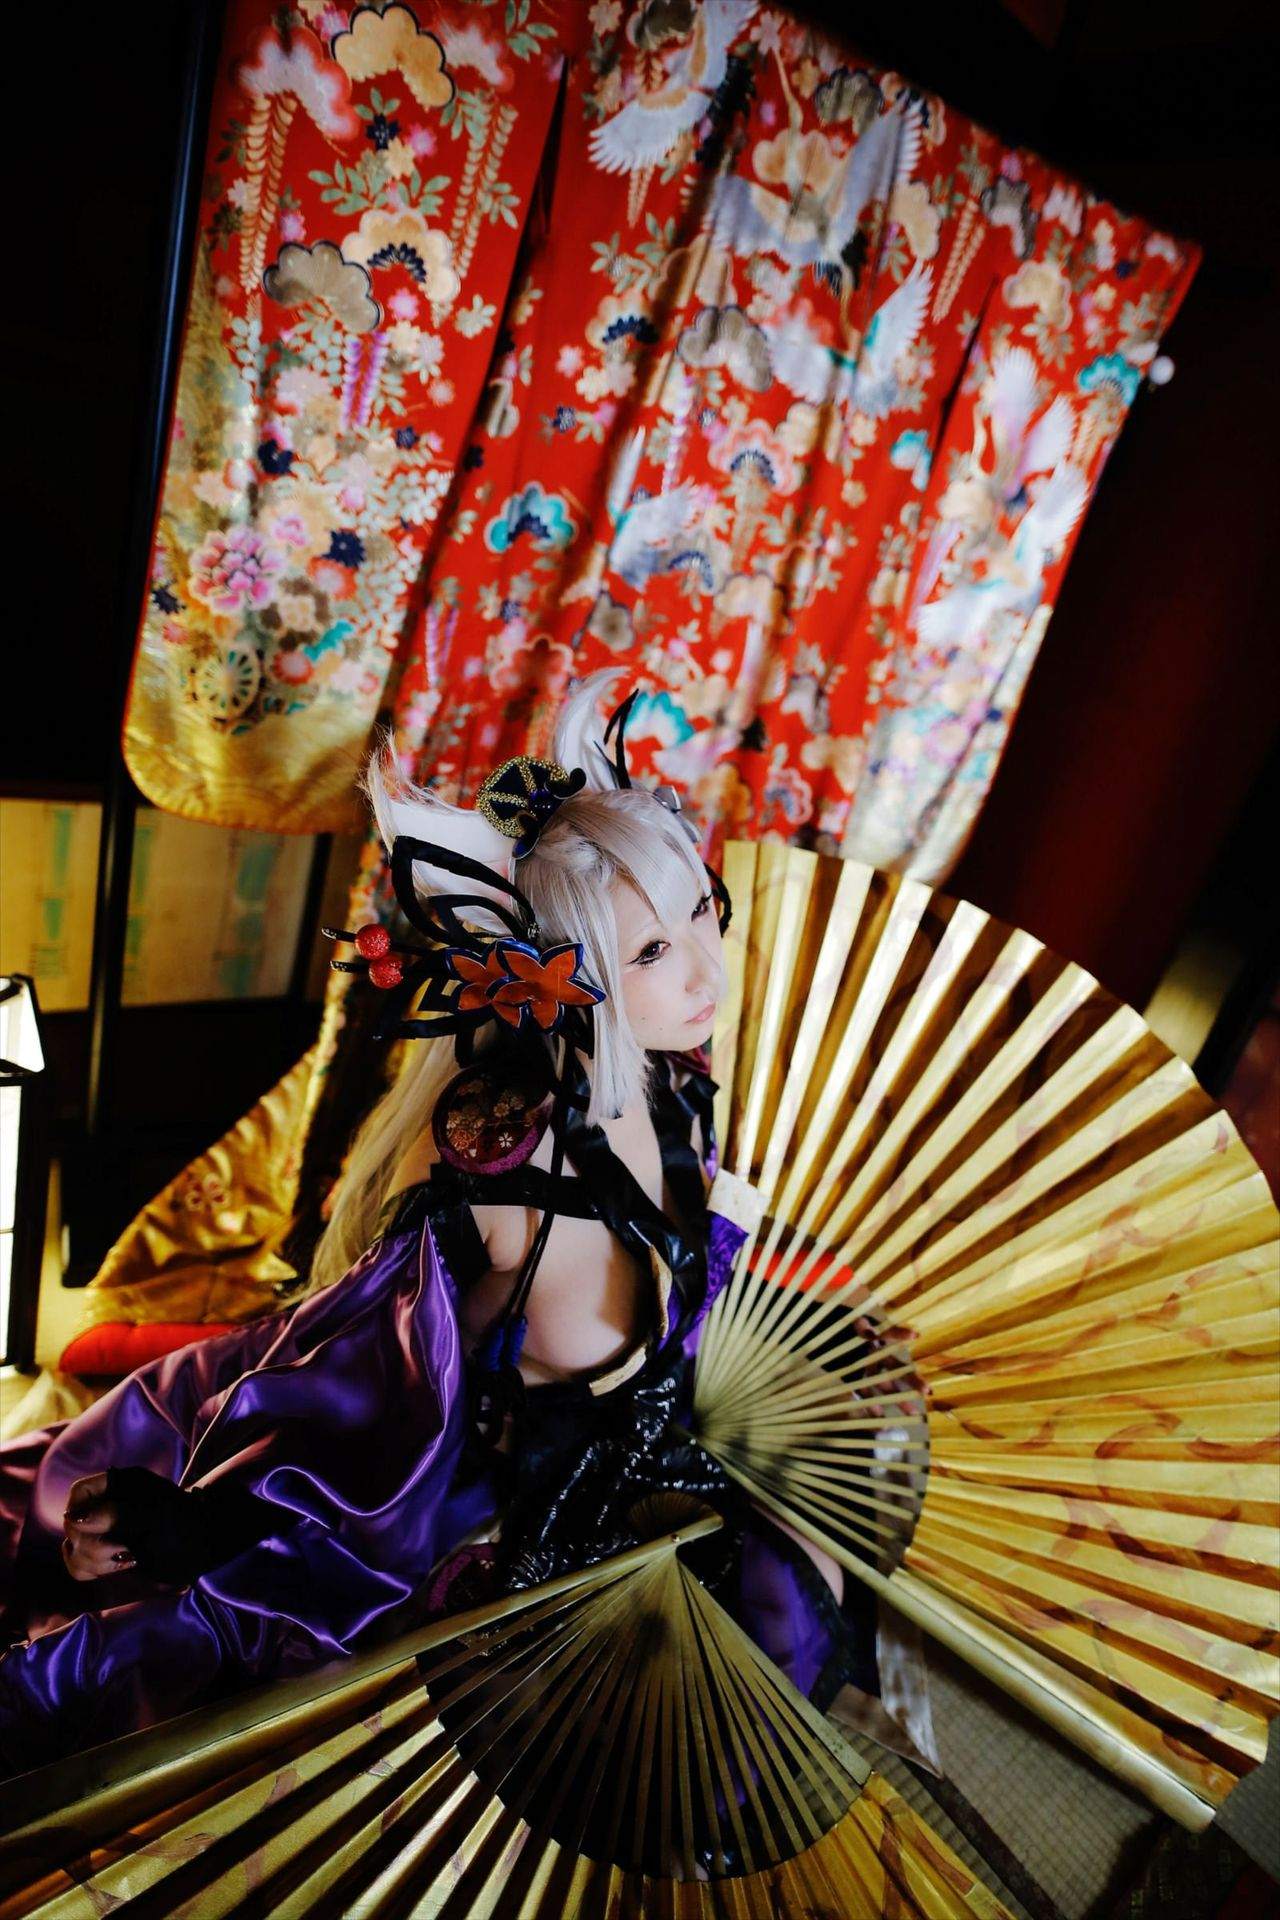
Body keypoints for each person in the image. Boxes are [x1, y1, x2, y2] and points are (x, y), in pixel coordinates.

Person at [0, 677, 872, 1772]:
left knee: (814, 1577)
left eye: (700, 910)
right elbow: (359, 1394)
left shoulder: (674, 1084)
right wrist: (202, 1525)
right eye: (649, 952)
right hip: (516, 1513)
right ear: (564, 980)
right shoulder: (503, 1176)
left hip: (664, 1457)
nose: (705, 971)